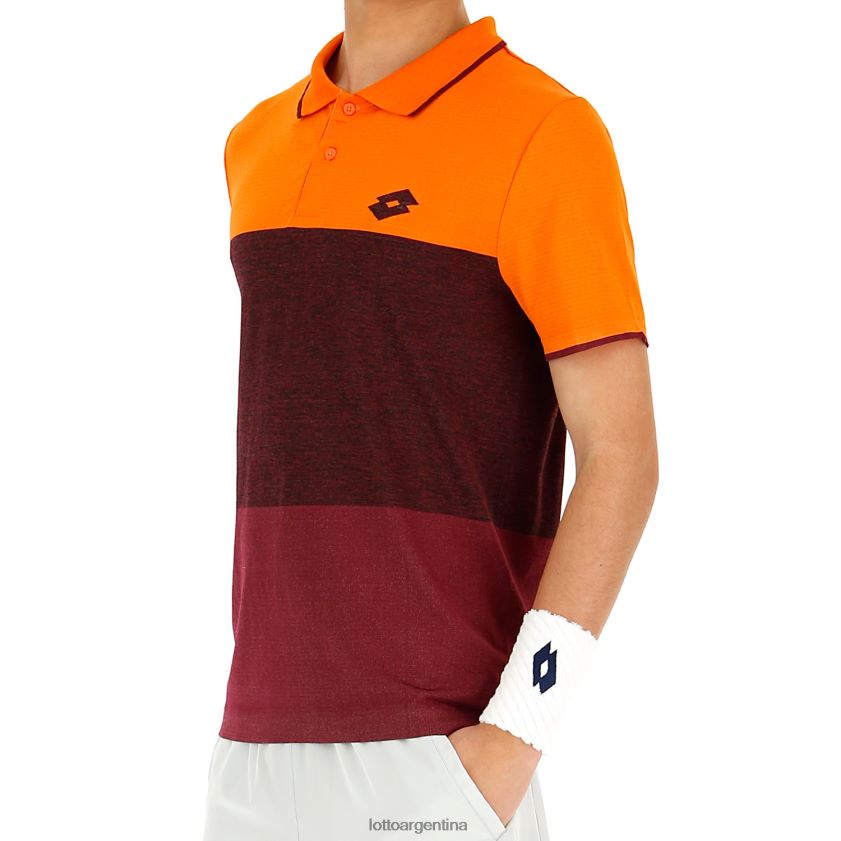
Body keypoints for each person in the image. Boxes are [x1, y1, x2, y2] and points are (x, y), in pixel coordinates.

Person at [202, 3, 658, 839]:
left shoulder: (545, 130)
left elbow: (621, 453)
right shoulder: (255, 140)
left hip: (438, 756)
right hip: (251, 754)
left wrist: (518, 731)